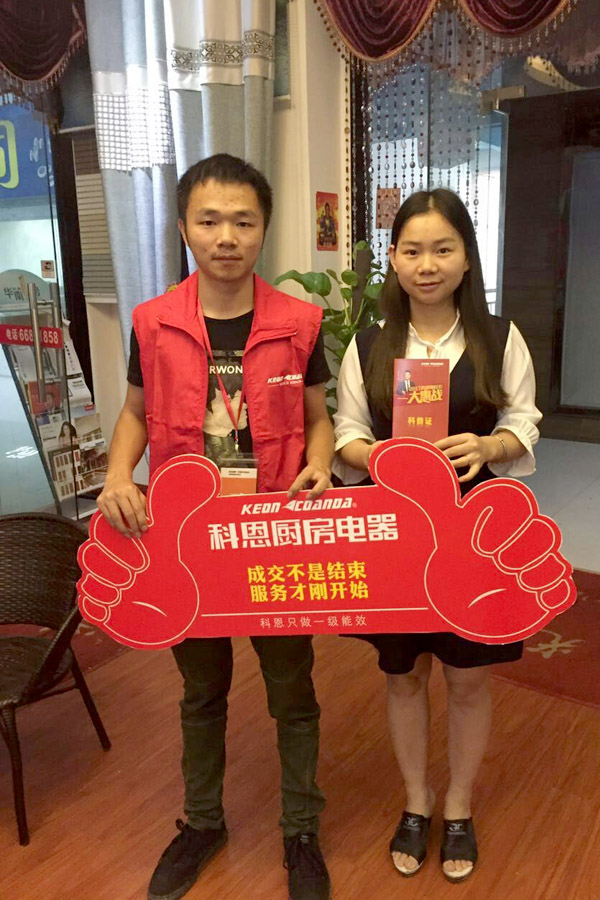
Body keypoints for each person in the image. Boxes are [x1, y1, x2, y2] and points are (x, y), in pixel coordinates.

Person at [97, 154, 334, 900]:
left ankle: (301, 829)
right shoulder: (153, 322)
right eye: (209, 220)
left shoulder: (299, 323)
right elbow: (135, 413)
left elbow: (318, 418)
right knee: (201, 693)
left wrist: (320, 462)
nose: (225, 237)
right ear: (183, 228)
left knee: (292, 691)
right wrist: (117, 474)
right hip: (189, 540)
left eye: (242, 221)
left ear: (263, 229)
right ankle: (203, 823)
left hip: (274, 536)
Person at [333, 188, 541, 883]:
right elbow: (347, 433)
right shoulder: (369, 345)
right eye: (413, 250)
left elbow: (524, 418)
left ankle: (458, 806)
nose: (427, 265)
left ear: (466, 258)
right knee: (403, 676)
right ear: (393, 259)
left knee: (469, 677)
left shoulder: (498, 337)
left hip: (474, 534)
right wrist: (381, 457)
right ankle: (416, 800)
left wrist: (489, 446)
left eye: (442, 249)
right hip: (395, 532)